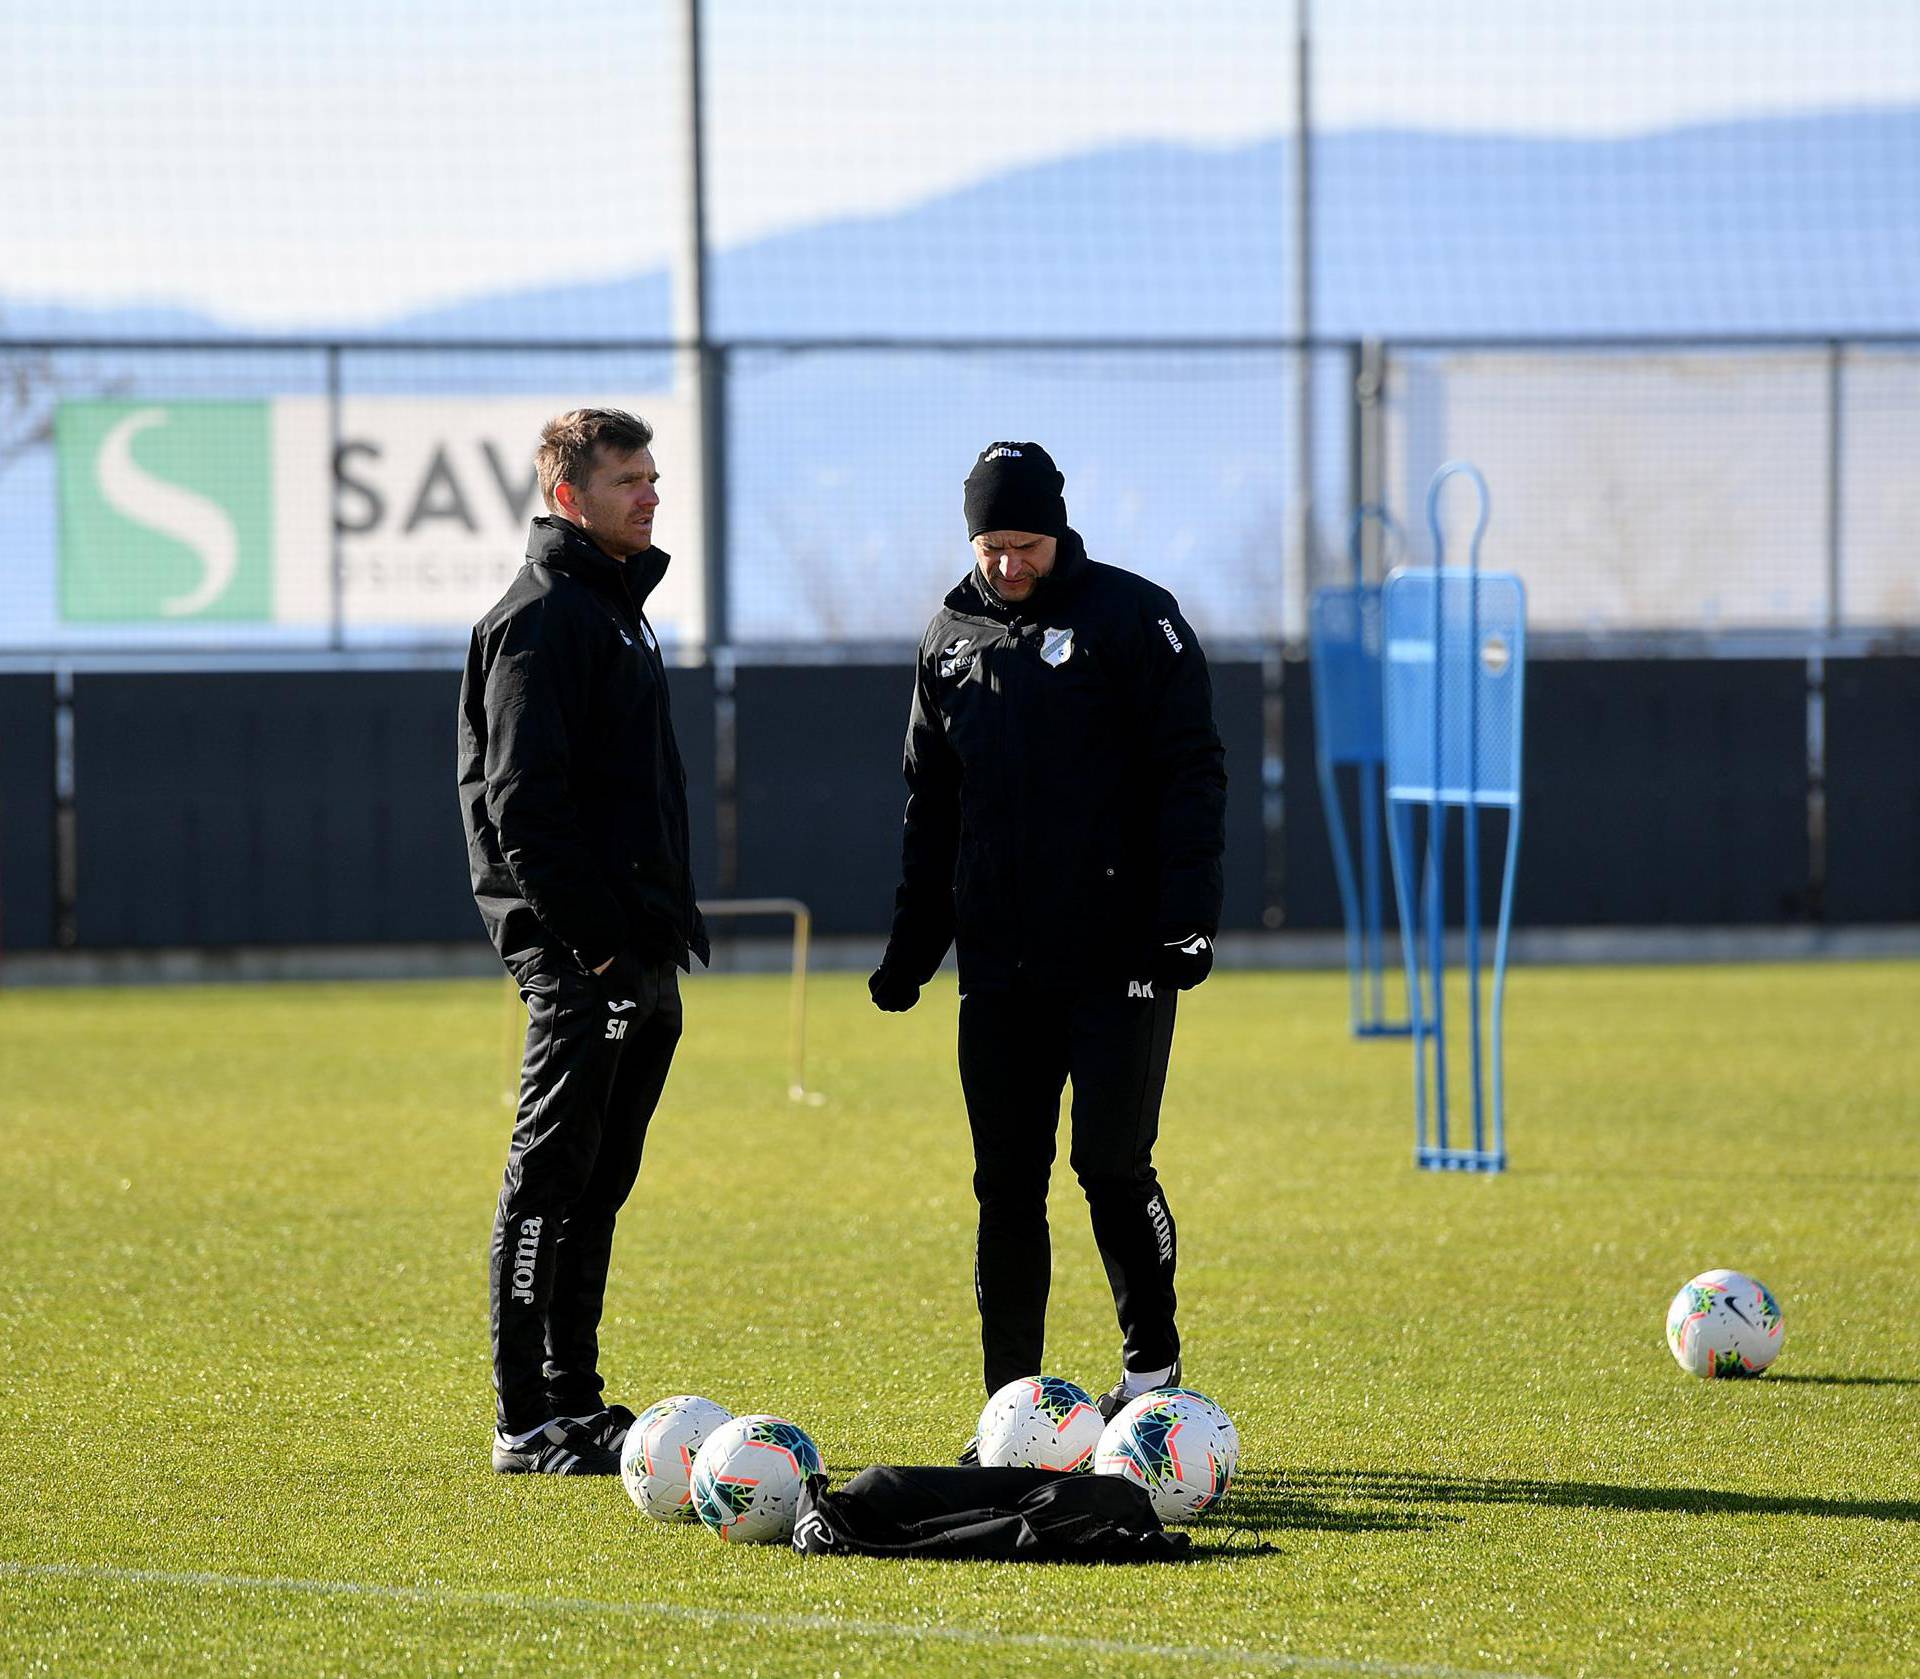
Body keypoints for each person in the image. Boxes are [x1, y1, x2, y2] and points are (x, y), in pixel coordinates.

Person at [869, 441, 1227, 1443]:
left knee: (1111, 1165)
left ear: (1058, 530)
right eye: (992, 544)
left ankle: (1151, 1377)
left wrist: (1189, 916)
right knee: (1005, 1186)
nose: (1008, 564)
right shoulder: (949, 636)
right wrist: (915, 943)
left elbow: (1192, 775)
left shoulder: (1133, 618)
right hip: (999, 967)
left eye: (1024, 542)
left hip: (1119, 958)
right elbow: (929, 804)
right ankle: (1010, 1411)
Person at [457, 407, 708, 1475]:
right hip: (583, 957)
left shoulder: (614, 609)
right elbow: (521, 808)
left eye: (653, 476)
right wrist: (599, 949)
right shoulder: (543, 617)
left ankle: (575, 1397)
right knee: (550, 1176)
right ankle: (525, 1419)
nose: (651, 494)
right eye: (627, 481)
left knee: (600, 1182)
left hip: (636, 952)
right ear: (569, 496)